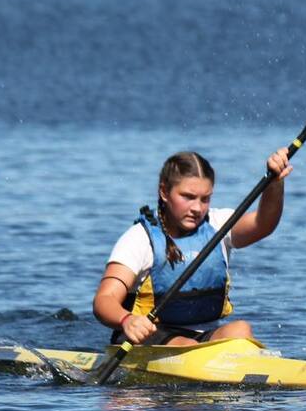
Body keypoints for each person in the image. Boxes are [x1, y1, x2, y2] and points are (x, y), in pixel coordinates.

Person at [93, 148, 292, 347]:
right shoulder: (139, 238)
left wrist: (275, 183)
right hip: (146, 337)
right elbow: (104, 299)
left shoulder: (218, 224)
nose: (197, 208)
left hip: (201, 336)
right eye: (188, 197)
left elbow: (263, 224)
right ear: (164, 192)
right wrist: (127, 320)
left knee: (241, 330)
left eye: (205, 199)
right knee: (186, 345)